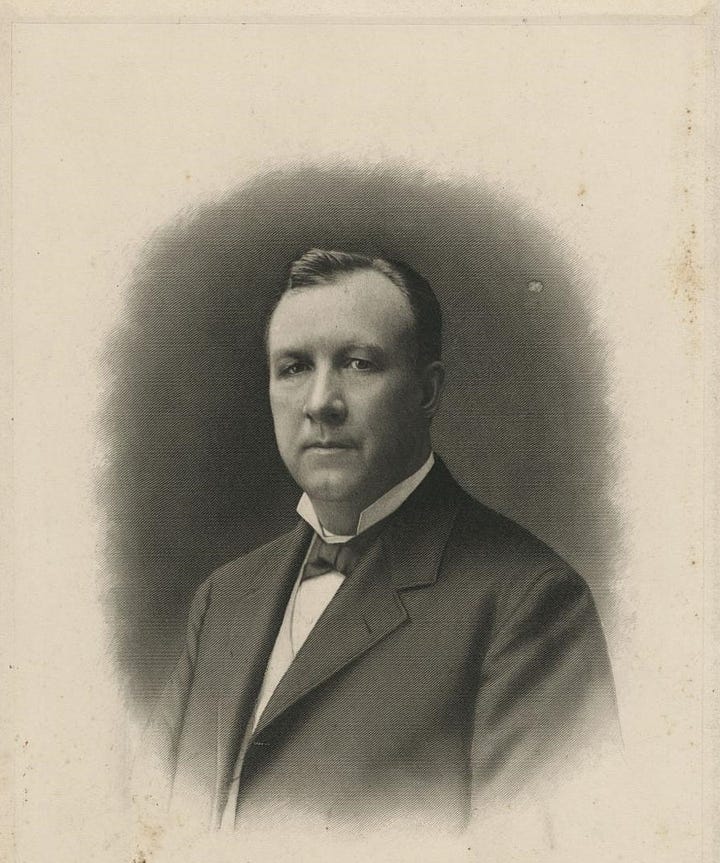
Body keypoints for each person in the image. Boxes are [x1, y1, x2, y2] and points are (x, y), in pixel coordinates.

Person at [135, 248, 620, 833]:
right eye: (293, 368)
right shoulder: (223, 599)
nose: (320, 404)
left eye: (358, 364)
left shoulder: (530, 604)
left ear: (426, 392)